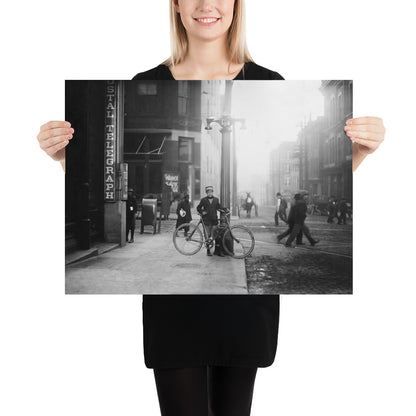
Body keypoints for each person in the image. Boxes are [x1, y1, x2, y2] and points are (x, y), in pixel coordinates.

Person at [36, 0, 386, 414]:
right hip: (174, 314)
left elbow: (348, 172)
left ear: (237, 6)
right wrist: (63, 158)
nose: (207, 4)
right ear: (177, 6)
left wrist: (360, 154)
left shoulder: (267, 80)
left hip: (243, 314)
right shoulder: (142, 80)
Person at [196, 185, 227, 256]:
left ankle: (218, 251)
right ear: (206, 193)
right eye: (208, 192)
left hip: (214, 220)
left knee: (216, 236)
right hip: (206, 220)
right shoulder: (203, 200)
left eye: (211, 192)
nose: (209, 193)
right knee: (207, 236)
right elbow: (198, 207)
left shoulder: (216, 199)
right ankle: (208, 251)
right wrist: (202, 212)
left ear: (212, 192)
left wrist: (225, 209)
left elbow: (219, 207)